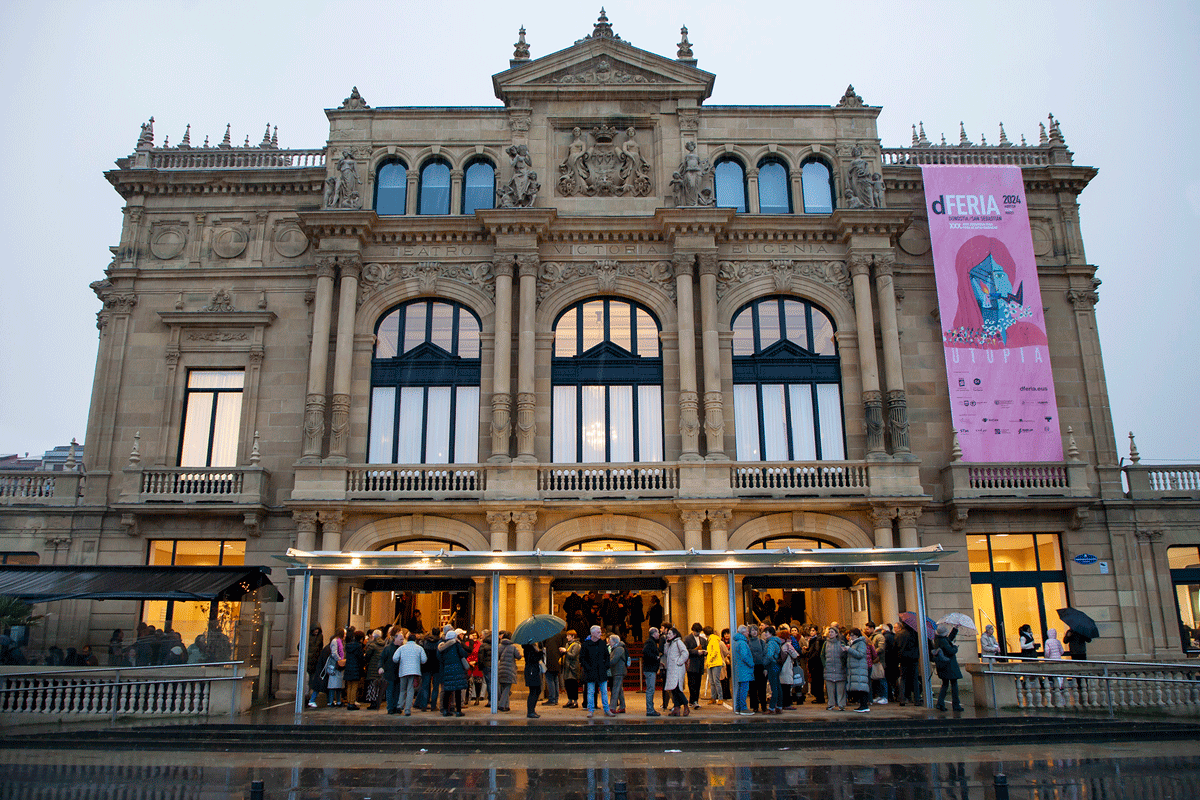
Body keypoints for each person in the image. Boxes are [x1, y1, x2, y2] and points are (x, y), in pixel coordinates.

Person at [580, 625, 615, 717]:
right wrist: (587, 667)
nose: (600, 634)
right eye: (598, 632)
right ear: (593, 633)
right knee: (591, 691)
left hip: (601, 671)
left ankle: (606, 709)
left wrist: (605, 666)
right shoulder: (586, 645)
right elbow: (582, 658)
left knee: (603, 691)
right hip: (591, 671)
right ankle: (591, 709)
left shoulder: (602, 644)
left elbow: (607, 656)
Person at [933, 623, 964, 712]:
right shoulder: (942, 641)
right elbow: (950, 651)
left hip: (944, 666)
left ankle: (940, 703)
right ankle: (955, 705)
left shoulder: (939, 639)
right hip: (949, 666)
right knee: (953, 685)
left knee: (945, 685)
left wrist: (954, 629)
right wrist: (955, 647)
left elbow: (949, 638)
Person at [437, 628, 468, 717]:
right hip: (457, 668)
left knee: (447, 690)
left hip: (447, 669)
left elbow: (440, 658)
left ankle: (446, 710)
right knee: (458, 690)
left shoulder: (442, 646)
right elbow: (463, 654)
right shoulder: (456, 644)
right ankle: (458, 711)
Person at [662, 626, 689, 716]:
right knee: (673, 689)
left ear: (675, 634)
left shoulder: (678, 642)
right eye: (668, 633)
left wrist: (679, 662)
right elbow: (666, 653)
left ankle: (686, 705)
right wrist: (666, 643)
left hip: (677, 669)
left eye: (670, 634)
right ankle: (676, 708)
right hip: (672, 669)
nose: (668, 635)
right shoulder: (671, 643)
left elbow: (685, 653)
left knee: (677, 689)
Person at [846, 628, 871, 712]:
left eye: (852, 635)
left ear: (857, 635)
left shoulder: (860, 643)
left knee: (861, 686)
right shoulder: (853, 643)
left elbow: (860, 654)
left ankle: (864, 706)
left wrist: (849, 649)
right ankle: (862, 705)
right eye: (850, 635)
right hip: (855, 668)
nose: (850, 637)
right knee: (859, 686)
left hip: (860, 667)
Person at [732, 625, 755, 715]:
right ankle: (743, 708)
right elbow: (745, 656)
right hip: (744, 669)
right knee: (744, 689)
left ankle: (738, 707)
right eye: (747, 631)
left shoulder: (737, 642)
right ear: (743, 633)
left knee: (740, 689)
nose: (748, 633)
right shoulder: (742, 643)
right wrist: (751, 663)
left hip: (740, 668)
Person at [896, 619, 920, 706]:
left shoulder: (899, 634)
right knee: (915, 679)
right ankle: (916, 699)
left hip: (903, 658)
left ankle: (902, 699)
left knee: (903, 679)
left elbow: (895, 647)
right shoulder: (915, 634)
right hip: (913, 658)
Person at [824, 625, 848, 711]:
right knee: (830, 689)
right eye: (829, 632)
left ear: (836, 633)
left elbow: (845, 654)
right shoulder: (826, 643)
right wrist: (825, 664)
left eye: (832, 632)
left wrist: (843, 664)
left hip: (839, 668)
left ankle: (841, 704)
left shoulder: (841, 643)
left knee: (840, 688)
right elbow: (822, 655)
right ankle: (831, 704)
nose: (830, 634)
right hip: (829, 668)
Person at [683, 622, 706, 709]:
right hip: (691, 664)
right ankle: (693, 701)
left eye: (699, 632)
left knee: (698, 684)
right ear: (692, 630)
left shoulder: (703, 640)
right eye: (696, 632)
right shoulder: (687, 639)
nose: (698, 633)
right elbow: (686, 651)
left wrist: (704, 652)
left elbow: (705, 648)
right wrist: (697, 652)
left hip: (699, 664)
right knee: (692, 684)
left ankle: (694, 700)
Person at [415, 631, 440, 711]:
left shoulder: (425, 642)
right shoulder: (439, 642)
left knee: (425, 686)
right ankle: (433, 706)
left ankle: (424, 705)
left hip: (426, 666)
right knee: (435, 687)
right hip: (436, 666)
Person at [380, 629, 403, 714]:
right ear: (395, 639)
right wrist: (380, 667)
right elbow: (382, 659)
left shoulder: (401, 648)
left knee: (397, 691)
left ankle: (396, 706)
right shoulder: (388, 648)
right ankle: (390, 708)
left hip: (398, 673)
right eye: (401, 639)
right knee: (390, 691)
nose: (402, 641)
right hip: (389, 672)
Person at [363, 629, 387, 710]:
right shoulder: (384, 644)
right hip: (381, 668)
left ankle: (373, 704)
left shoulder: (372, 645)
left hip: (373, 667)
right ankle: (378, 702)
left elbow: (367, 656)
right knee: (378, 686)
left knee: (372, 686)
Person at [496, 631, 519, 712]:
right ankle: (502, 705)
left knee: (503, 687)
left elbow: (497, 657)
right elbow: (518, 656)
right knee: (507, 688)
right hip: (510, 669)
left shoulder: (499, 646)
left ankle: (507, 705)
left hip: (501, 668)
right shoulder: (513, 647)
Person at [543, 627, 566, 706]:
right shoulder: (560, 635)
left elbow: (541, 645)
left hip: (549, 661)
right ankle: (555, 698)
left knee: (550, 680)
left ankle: (552, 699)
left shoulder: (547, 636)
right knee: (556, 680)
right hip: (557, 661)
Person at [642, 627, 662, 716]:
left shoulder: (651, 642)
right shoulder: (650, 642)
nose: (659, 634)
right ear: (654, 634)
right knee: (650, 690)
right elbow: (646, 652)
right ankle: (650, 709)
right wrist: (656, 658)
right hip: (650, 669)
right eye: (658, 632)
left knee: (650, 689)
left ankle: (650, 708)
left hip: (650, 668)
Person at [325, 628, 347, 707]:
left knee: (339, 685)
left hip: (339, 665)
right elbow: (334, 653)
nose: (345, 635)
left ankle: (338, 701)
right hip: (335, 665)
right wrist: (340, 660)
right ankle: (331, 701)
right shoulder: (335, 641)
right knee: (333, 685)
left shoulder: (340, 641)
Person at [344, 630, 365, 709]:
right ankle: (352, 703)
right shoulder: (358, 646)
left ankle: (349, 702)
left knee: (349, 686)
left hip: (348, 667)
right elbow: (360, 658)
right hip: (356, 667)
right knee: (354, 686)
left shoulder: (348, 645)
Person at [805, 624, 825, 706]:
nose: (811, 632)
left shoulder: (817, 640)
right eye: (810, 630)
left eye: (813, 630)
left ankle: (820, 697)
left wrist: (809, 655)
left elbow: (816, 652)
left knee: (818, 681)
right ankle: (819, 697)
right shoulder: (813, 640)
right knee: (816, 680)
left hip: (816, 663)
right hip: (815, 663)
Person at [523, 641, 544, 719]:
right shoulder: (529, 648)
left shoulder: (531, 647)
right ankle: (530, 711)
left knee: (537, 690)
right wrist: (540, 653)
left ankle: (532, 710)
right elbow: (532, 659)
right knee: (534, 691)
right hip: (531, 671)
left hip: (533, 670)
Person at [608, 634, 628, 713]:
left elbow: (614, 660)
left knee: (615, 689)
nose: (609, 642)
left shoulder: (619, 649)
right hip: (617, 671)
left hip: (619, 671)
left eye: (610, 640)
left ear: (614, 641)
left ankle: (612, 707)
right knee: (619, 689)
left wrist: (606, 664)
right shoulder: (616, 648)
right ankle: (622, 706)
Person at [705, 625, 725, 704]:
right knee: (712, 681)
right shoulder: (710, 640)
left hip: (716, 663)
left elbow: (715, 651)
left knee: (716, 681)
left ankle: (720, 698)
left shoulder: (713, 639)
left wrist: (709, 659)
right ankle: (713, 697)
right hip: (710, 663)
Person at [562, 629, 581, 709]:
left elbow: (573, 655)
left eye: (568, 636)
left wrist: (565, 651)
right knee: (568, 685)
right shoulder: (567, 644)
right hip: (567, 667)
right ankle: (570, 700)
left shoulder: (576, 645)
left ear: (573, 636)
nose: (567, 637)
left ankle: (575, 702)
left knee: (573, 685)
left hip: (573, 667)